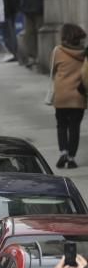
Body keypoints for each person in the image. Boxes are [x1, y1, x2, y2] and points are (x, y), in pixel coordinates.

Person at [51, 23, 87, 169]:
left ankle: (63, 153)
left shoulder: (57, 51)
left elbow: (52, 69)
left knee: (61, 125)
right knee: (74, 127)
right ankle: (71, 158)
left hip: (61, 95)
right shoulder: (84, 53)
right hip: (78, 96)